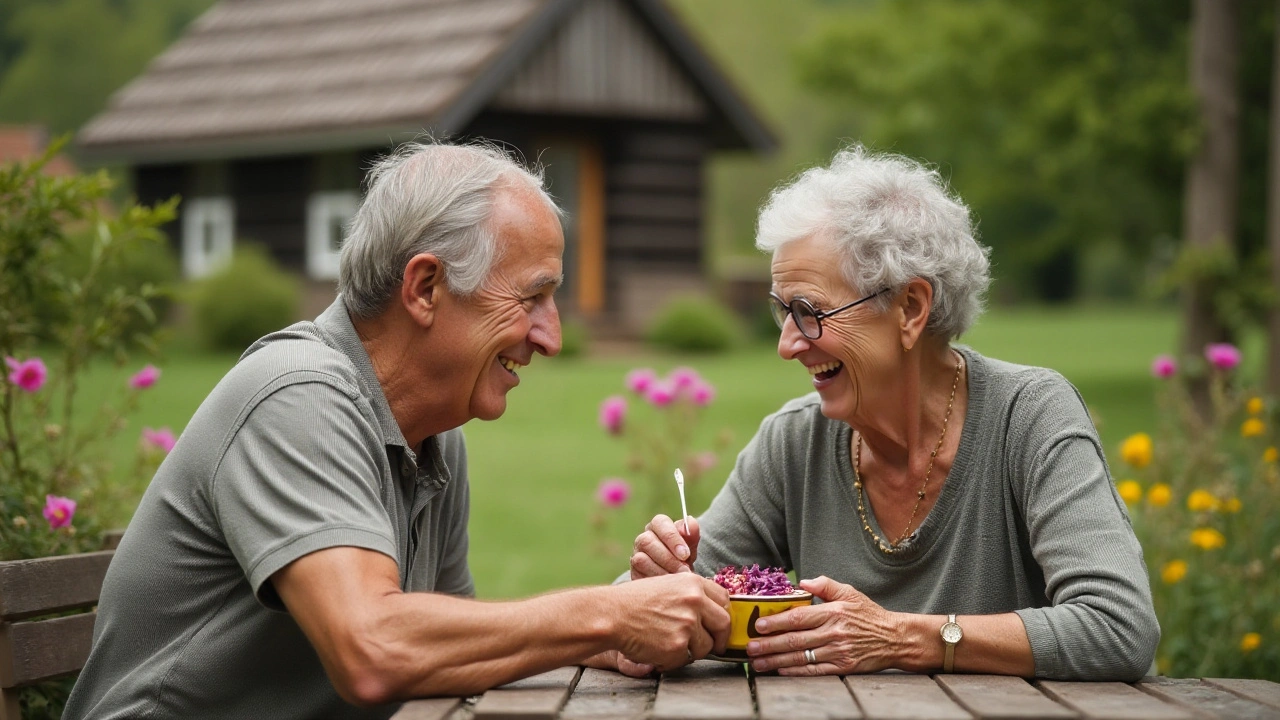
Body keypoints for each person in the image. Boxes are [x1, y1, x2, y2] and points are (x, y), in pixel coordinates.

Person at [65, 142, 730, 720]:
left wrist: (604, 644)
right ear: (425, 287)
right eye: (531, 297)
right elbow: (374, 651)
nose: (550, 336)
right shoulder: (298, 397)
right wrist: (608, 615)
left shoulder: (435, 435)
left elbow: (444, 655)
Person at [619, 145, 1159, 681]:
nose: (787, 344)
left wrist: (900, 637)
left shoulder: (1029, 418)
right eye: (783, 311)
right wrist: (658, 607)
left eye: (810, 312)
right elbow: (619, 621)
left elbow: (1118, 627)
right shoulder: (795, 443)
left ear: (910, 308)